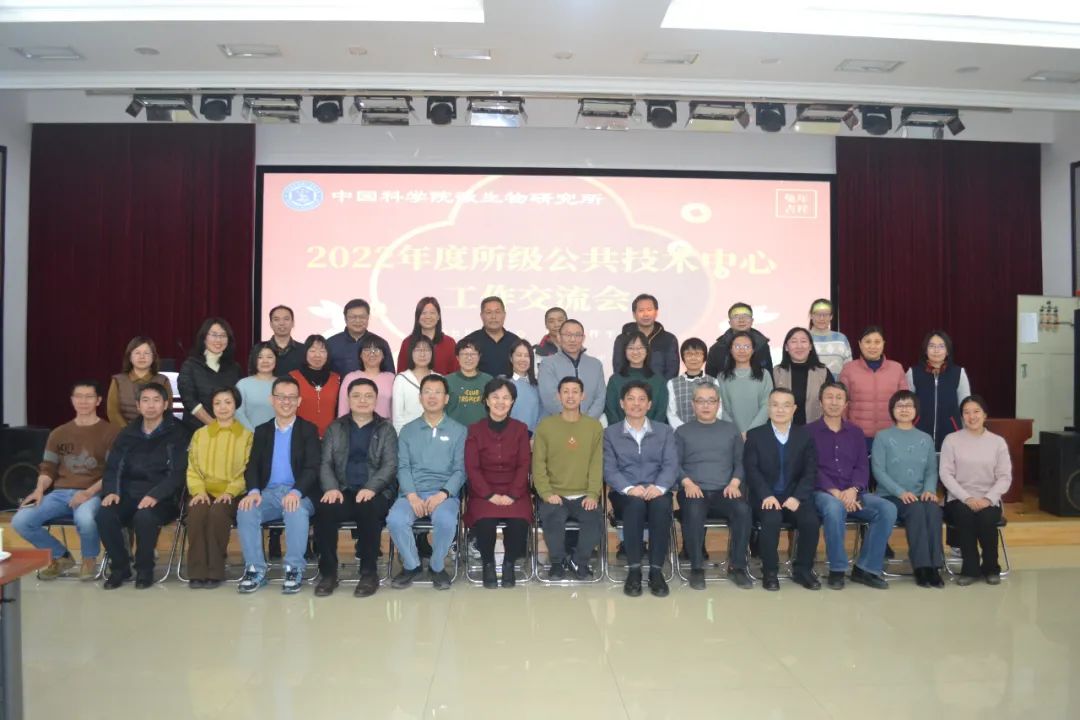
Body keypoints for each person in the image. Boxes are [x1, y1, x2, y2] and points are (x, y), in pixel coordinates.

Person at [13, 380, 119, 580]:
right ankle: (60, 556)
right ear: (72, 400)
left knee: (85, 519)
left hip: (93, 493)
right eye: (79, 397)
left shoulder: (111, 432)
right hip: (60, 493)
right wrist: (39, 490)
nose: (83, 401)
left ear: (98, 400)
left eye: (89, 397)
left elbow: (113, 472)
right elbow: (48, 468)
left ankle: (89, 559)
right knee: (21, 521)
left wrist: (88, 493)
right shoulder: (59, 433)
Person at [807, 381, 897, 590]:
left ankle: (866, 569)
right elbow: (809, 467)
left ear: (846, 403)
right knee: (834, 507)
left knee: (887, 508)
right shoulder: (808, 432)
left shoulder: (856, 432)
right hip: (821, 493)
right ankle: (837, 569)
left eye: (839, 398)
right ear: (820, 402)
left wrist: (853, 490)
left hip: (853, 492)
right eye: (829, 397)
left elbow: (862, 466)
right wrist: (835, 492)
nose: (834, 402)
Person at [96, 383, 186, 589]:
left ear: (165, 404)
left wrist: (156, 495)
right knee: (105, 515)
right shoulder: (127, 433)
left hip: (163, 497)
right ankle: (120, 568)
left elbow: (178, 473)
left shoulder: (178, 432)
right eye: (145, 400)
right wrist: (112, 491)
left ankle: (145, 570)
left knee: (144, 517)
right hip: (128, 493)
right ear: (138, 405)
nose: (150, 405)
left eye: (156, 400)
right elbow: (113, 466)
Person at [314, 378, 398, 598]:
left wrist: (372, 487)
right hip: (342, 489)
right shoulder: (335, 427)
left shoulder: (386, 428)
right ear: (348, 399)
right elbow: (325, 463)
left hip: (375, 491)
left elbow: (390, 465)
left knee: (368, 509)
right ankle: (328, 573)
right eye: (357, 396)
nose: (363, 400)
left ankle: (369, 573)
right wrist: (331, 488)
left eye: (368, 396)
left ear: (376, 400)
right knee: (324, 510)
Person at [236, 376, 320, 595]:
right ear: (272, 400)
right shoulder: (262, 431)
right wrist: (253, 491)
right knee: (246, 509)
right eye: (281, 397)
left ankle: (294, 569)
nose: (286, 402)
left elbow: (312, 467)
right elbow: (252, 465)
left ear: (299, 401)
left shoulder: (308, 430)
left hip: (301, 493)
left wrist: (296, 492)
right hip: (268, 493)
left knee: (294, 510)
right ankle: (255, 569)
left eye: (291, 397)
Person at [388, 374, 467, 591]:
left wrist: (443, 494)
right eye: (427, 392)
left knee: (446, 520)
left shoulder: (459, 431)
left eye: (438, 392)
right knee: (395, 519)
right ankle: (412, 564)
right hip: (412, 492)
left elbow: (461, 470)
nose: (432, 397)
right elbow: (403, 467)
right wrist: (412, 496)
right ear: (420, 397)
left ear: (446, 398)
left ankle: (437, 565)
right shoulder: (408, 431)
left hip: (444, 494)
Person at [604, 381, 678, 597]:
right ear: (622, 403)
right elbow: (609, 469)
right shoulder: (610, 433)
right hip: (624, 494)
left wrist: (660, 487)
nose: (636, 404)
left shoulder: (665, 431)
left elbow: (671, 464)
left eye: (641, 399)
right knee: (634, 506)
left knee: (661, 506)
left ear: (649, 404)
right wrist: (629, 488)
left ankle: (656, 571)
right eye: (631, 398)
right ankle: (634, 570)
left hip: (656, 489)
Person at [674, 384, 752, 590]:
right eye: (700, 401)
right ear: (693, 405)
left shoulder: (731, 429)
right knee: (693, 510)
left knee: (743, 510)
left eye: (711, 401)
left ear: (718, 404)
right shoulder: (682, 432)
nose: (706, 405)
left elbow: (740, 461)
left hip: (725, 491)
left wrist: (735, 482)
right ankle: (696, 568)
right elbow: (674, 464)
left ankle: (737, 567)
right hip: (694, 490)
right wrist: (687, 482)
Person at [743, 388, 821, 591]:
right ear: (768, 408)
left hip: (794, 496)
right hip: (765, 497)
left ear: (794, 409)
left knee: (810, 521)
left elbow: (810, 471)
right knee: (771, 520)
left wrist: (797, 497)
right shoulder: (755, 435)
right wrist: (766, 495)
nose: (780, 410)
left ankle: (803, 570)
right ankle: (770, 572)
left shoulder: (804, 436)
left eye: (786, 405)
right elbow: (751, 470)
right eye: (775, 405)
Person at [533, 377, 605, 580]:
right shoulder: (546, 426)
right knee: (552, 518)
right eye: (566, 391)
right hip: (555, 493)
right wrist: (546, 493)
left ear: (583, 396)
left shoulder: (594, 426)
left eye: (575, 391)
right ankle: (557, 563)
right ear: (558, 396)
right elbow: (538, 464)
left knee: (594, 521)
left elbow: (596, 464)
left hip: (584, 494)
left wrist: (592, 494)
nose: (570, 396)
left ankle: (579, 561)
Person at [872, 390, 944, 588]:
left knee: (933, 510)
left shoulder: (925, 438)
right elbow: (878, 470)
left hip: (920, 495)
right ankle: (922, 567)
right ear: (892, 410)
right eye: (900, 406)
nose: (904, 410)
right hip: (891, 496)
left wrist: (929, 490)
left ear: (916, 410)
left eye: (909, 406)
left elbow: (931, 470)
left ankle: (935, 567)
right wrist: (901, 492)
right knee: (916, 509)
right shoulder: (882, 437)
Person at [464, 378, 533, 589]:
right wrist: (489, 495)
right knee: (485, 520)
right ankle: (488, 564)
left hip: (515, 489)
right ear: (486, 400)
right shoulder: (474, 429)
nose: (500, 402)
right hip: (483, 490)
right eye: (495, 397)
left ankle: (509, 563)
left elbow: (524, 464)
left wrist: (512, 494)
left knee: (519, 520)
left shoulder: (521, 429)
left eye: (506, 398)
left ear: (512, 402)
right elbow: (472, 467)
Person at [184, 387, 253, 589]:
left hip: (233, 494)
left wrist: (230, 492)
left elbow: (247, 470)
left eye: (228, 402)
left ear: (235, 405)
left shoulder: (247, 436)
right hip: (203, 492)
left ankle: (215, 571)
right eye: (217, 403)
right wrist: (199, 491)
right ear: (211, 407)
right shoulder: (200, 434)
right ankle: (197, 572)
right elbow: (192, 467)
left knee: (217, 513)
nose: (223, 407)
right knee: (196, 513)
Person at [939, 395, 1011, 586]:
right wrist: (967, 498)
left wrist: (988, 499)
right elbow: (946, 474)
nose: (972, 416)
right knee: (965, 515)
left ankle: (991, 568)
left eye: (976, 411)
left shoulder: (997, 442)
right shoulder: (951, 440)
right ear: (962, 416)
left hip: (989, 498)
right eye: (967, 412)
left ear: (985, 414)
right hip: (958, 499)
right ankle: (970, 569)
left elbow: (1004, 477)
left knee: (987, 518)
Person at [839, 325, 909, 451]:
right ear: (860, 344)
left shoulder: (897, 368)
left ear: (883, 344)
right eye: (868, 342)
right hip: (857, 436)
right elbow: (842, 405)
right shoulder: (849, 369)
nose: (873, 346)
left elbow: (905, 403)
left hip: (890, 436)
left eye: (877, 342)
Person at [907, 330, 971, 451]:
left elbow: (966, 406)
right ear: (925, 350)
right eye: (932, 346)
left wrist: (966, 433)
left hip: (952, 434)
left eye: (941, 346)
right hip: (918, 434)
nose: (936, 350)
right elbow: (906, 405)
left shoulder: (958, 373)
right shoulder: (913, 373)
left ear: (947, 351)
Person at [177, 317, 243, 434]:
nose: (218, 339)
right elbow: (189, 400)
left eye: (223, 335)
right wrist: (214, 425)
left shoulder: (234, 368)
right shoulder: (190, 365)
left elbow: (237, 401)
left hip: (229, 432)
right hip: (195, 431)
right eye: (214, 335)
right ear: (204, 338)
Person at [537, 319, 606, 420]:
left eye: (577, 335)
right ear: (559, 337)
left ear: (583, 338)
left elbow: (600, 398)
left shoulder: (595, 364)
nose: (573, 339)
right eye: (568, 335)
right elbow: (549, 397)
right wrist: (570, 419)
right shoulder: (548, 364)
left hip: (588, 425)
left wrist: (586, 422)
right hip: (557, 424)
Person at [106, 336, 173, 427]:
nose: (142, 357)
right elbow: (113, 412)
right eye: (137, 353)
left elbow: (167, 410)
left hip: (156, 432)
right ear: (130, 357)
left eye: (146, 353)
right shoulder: (118, 381)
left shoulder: (163, 381)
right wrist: (128, 431)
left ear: (153, 357)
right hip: (124, 432)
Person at [605, 330, 669, 425]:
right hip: (620, 432)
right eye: (631, 348)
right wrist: (622, 431)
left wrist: (650, 431)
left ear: (647, 351)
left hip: (653, 432)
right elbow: (611, 411)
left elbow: (661, 412)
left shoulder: (659, 381)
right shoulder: (615, 380)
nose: (635, 352)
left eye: (640, 348)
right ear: (625, 351)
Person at [773, 327, 834, 426]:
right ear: (786, 347)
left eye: (803, 341)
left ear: (810, 347)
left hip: (816, 428)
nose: (799, 346)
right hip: (783, 428)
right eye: (794, 342)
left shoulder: (823, 373)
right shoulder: (776, 373)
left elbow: (831, 403)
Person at [611, 293, 680, 379]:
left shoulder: (669, 339)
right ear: (634, 314)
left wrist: (660, 386)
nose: (646, 314)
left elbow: (672, 372)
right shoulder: (622, 339)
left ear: (656, 312)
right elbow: (619, 370)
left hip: (660, 386)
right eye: (641, 310)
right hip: (630, 386)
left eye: (649, 310)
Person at [718, 330, 774, 436]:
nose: (742, 350)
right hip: (731, 433)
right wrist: (736, 432)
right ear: (730, 350)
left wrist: (750, 432)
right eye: (737, 346)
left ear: (753, 350)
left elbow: (767, 405)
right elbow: (720, 407)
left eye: (747, 346)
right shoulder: (722, 377)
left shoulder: (764, 374)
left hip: (759, 432)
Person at [289, 334, 342, 439]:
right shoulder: (293, 377)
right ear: (305, 353)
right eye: (312, 351)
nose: (317, 355)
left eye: (322, 351)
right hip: (300, 437)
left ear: (328, 355)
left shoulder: (337, 378)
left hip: (330, 438)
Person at [327, 298, 395, 376]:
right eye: (353, 317)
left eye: (362, 317)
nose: (358, 320)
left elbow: (390, 375)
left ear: (368, 318)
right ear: (345, 318)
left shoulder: (381, 343)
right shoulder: (331, 343)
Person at [666, 337, 720, 430]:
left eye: (698, 354)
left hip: (709, 430)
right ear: (683, 357)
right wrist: (685, 430)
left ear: (704, 357)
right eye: (689, 354)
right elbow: (671, 413)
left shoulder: (714, 381)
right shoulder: (672, 383)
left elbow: (719, 410)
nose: (693, 358)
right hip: (682, 433)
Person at [705, 302, 773, 377]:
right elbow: (710, 379)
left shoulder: (762, 345)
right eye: (736, 316)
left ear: (752, 321)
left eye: (746, 316)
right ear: (730, 322)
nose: (741, 320)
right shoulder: (717, 348)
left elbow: (769, 375)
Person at [396, 296, 459, 375]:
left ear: (438, 317)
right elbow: (401, 374)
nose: (428, 317)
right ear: (417, 317)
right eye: (424, 313)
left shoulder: (449, 343)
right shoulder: (407, 343)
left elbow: (455, 374)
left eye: (432, 313)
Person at [462, 296, 521, 378]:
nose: (493, 316)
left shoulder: (515, 342)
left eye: (497, 312)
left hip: (509, 386)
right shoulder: (470, 341)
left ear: (504, 315)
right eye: (488, 312)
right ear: (481, 316)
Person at [340, 336, 394, 420]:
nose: (372, 353)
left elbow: (396, 410)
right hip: (356, 425)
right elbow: (343, 410)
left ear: (383, 355)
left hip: (385, 426)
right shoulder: (350, 377)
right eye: (367, 350)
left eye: (376, 350)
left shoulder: (391, 378)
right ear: (360, 355)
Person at [392, 335, 436, 434]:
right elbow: (397, 415)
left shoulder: (439, 378)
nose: (422, 354)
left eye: (426, 350)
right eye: (418, 350)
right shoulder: (401, 379)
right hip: (408, 435)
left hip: (434, 434)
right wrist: (401, 437)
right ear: (411, 353)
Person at [446, 339, 493, 426]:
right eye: (464, 354)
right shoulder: (446, 381)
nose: (469, 358)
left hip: (482, 432)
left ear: (479, 356)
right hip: (454, 431)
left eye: (473, 354)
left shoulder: (489, 380)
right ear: (457, 357)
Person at [249, 304, 305, 378]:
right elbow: (252, 375)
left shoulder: (304, 350)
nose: (281, 323)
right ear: (271, 324)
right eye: (276, 319)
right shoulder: (259, 349)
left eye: (286, 319)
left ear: (293, 323)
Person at [235, 342, 277, 431]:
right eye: (260, 357)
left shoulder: (282, 384)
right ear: (254, 360)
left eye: (269, 357)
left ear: (276, 359)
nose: (265, 361)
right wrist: (254, 434)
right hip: (249, 436)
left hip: (278, 435)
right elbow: (238, 413)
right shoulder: (243, 384)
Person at [807, 299, 852, 377]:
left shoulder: (841, 339)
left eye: (826, 314)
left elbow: (849, 368)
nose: (822, 318)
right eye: (817, 314)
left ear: (831, 316)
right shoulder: (804, 338)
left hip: (837, 384)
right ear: (811, 315)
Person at [506, 339, 540, 434]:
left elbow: (542, 414)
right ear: (511, 358)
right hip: (508, 436)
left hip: (532, 438)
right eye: (519, 355)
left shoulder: (537, 386)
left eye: (526, 356)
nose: (523, 359)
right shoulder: (502, 382)